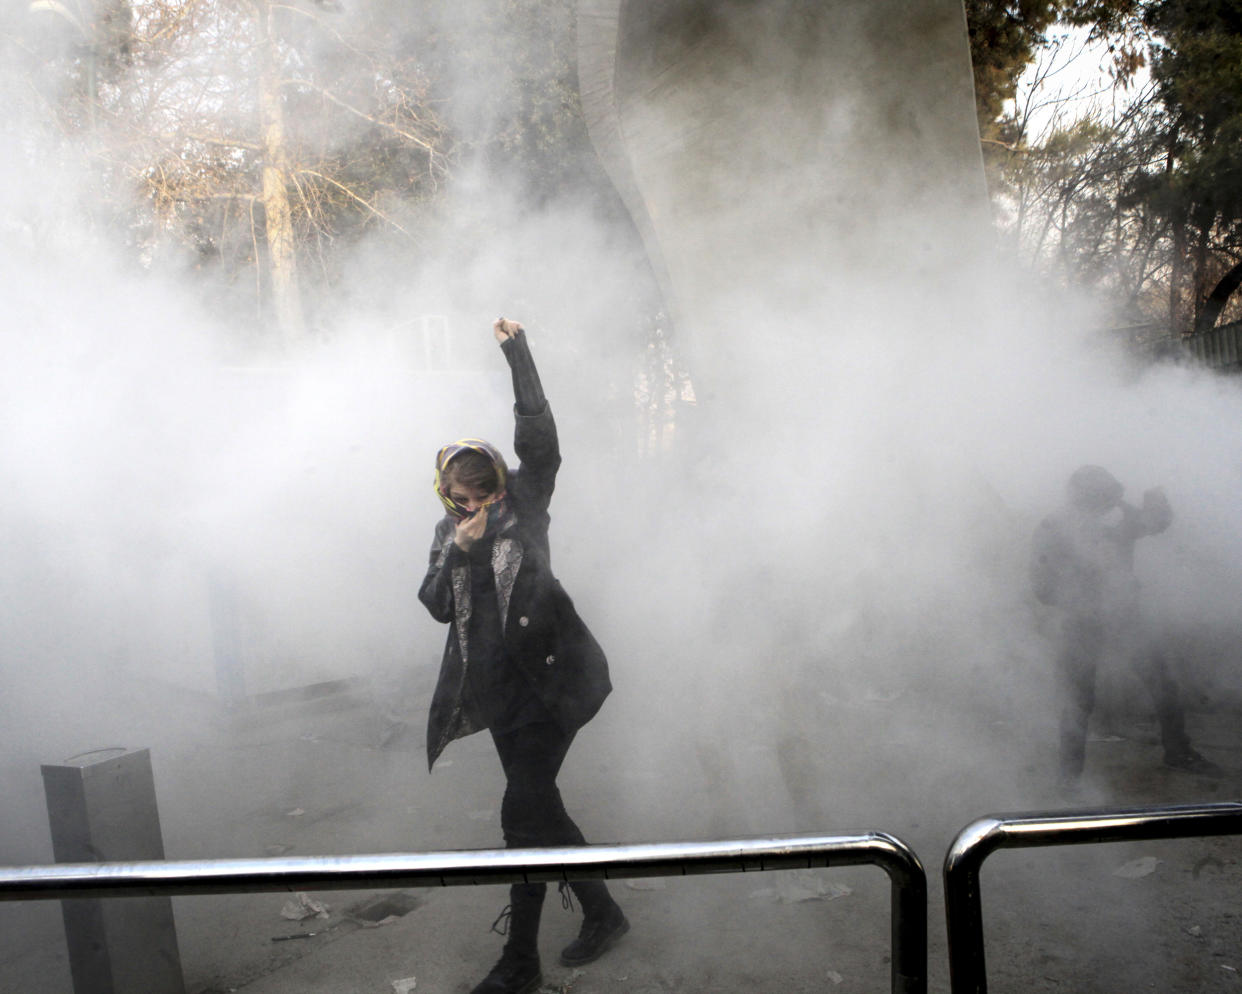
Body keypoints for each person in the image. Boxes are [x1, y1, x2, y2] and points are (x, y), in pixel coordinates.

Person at [418, 318, 629, 994]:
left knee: (522, 818)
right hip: (501, 699)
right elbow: (434, 604)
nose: (473, 508)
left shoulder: (526, 507)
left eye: (484, 497)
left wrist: (519, 353)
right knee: (544, 811)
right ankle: (603, 914)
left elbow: (541, 445)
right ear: (448, 492)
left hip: (554, 691)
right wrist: (460, 549)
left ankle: (520, 964)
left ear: (501, 489)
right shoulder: (447, 534)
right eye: (461, 499)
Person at [1030, 464, 1222, 787]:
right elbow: (1042, 588)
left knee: (1162, 684)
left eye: (1111, 497)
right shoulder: (1054, 527)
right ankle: (1069, 777)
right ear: (1086, 497)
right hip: (1083, 621)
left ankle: (1178, 752)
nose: (1111, 503)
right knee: (1078, 699)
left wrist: (1157, 500)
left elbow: (1156, 523)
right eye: (1104, 497)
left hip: (1125, 615)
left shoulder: (1117, 518)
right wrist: (1083, 595)